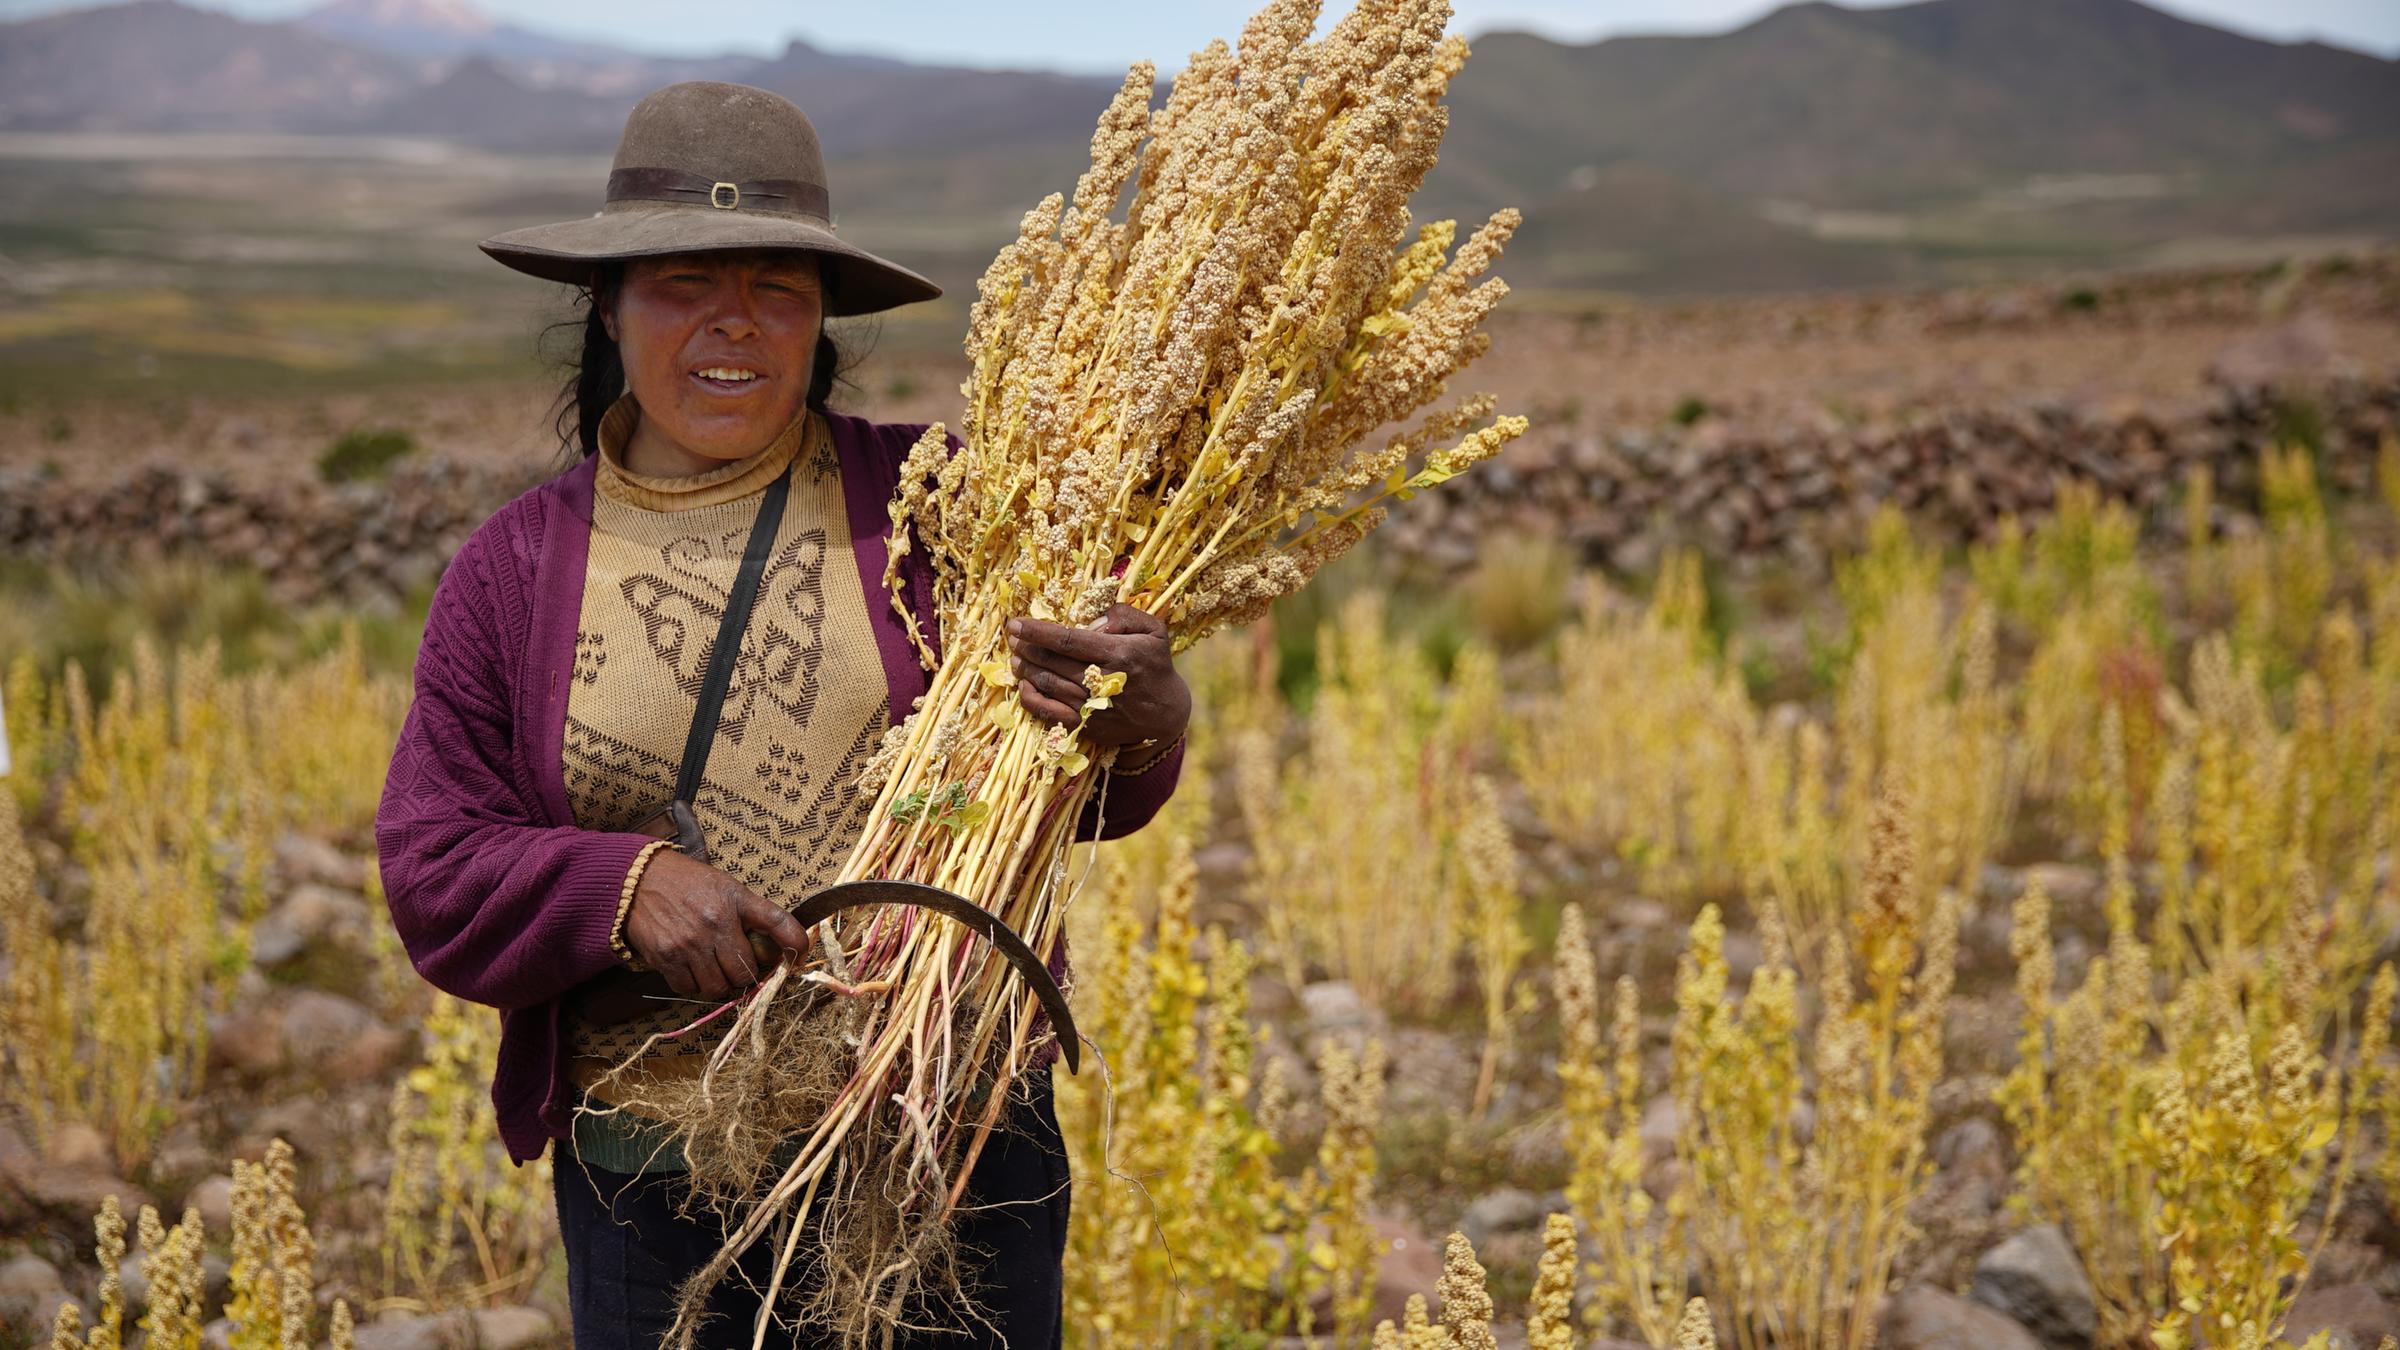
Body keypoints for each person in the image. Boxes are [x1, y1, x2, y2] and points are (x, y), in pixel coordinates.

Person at [372, 80, 1192, 1349]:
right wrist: (623, 886)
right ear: (606, 302)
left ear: (822, 320)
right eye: (684, 282)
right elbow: (435, 864)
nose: (734, 325)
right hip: (658, 1182)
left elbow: (1083, 793)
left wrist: (1136, 721)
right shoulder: (517, 572)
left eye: (777, 287)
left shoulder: (944, 509)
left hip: (952, 1150)